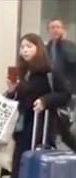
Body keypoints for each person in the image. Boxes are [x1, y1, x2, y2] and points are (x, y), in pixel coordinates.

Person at [3, 33, 72, 178]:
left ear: (38, 48)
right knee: (17, 167)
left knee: (33, 167)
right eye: (22, 47)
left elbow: (65, 94)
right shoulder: (23, 71)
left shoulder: (49, 72)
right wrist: (11, 91)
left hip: (41, 127)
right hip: (22, 125)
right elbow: (18, 99)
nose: (25, 50)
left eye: (29, 47)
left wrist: (45, 101)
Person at [46, 19, 76, 151]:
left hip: (68, 92)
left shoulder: (69, 47)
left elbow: (72, 60)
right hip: (51, 92)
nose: (55, 30)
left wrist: (63, 43)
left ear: (63, 30)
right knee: (53, 126)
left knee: (65, 127)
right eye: (52, 27)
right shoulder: (46, 48)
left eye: (58, 27)